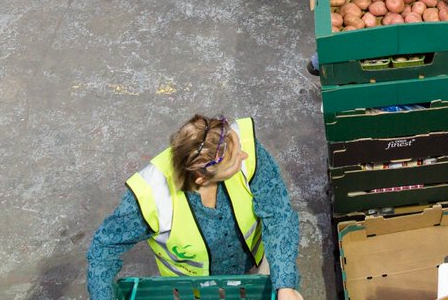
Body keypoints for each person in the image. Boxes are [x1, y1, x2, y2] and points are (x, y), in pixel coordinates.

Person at [86, 115, 303, 300]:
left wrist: (285, 285)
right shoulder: (151, 195)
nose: (243, 156)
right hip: (192, 289)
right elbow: (103, 250)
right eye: (234, 161)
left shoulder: (243, 147)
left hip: (254, 268)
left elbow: (279, 214)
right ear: (201, 178)